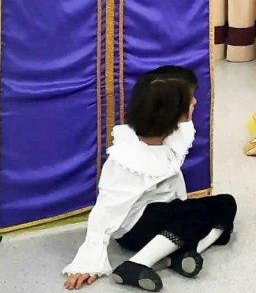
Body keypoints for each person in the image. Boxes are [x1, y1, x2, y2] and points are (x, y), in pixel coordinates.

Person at [63, 71, 236, 291]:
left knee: (225, 203)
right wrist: (88, 262)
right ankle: (137, 263)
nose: (195, 102)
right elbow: (105, 211)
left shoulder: (171, 138)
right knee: (196, 216)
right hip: (135, 229)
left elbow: (181, 137)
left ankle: (175, 257)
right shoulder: (128, 158)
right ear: (172, 113)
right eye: (190, 99)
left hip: (163, 213)